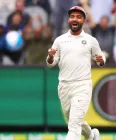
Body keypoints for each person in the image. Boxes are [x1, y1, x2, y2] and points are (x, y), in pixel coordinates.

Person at [46, 6, 106, 140]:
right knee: (73, 120)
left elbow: (101, 58)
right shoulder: (60, 40)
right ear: (69, 20)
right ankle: (91, 135)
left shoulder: (91, 40)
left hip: (82, 85)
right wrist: (50, 56)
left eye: (78, 17)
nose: (75, 19)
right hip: (64, 86)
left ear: (84, 21)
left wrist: (101, 60)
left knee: (73, 125)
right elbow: (51, 63)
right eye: (72, 16)